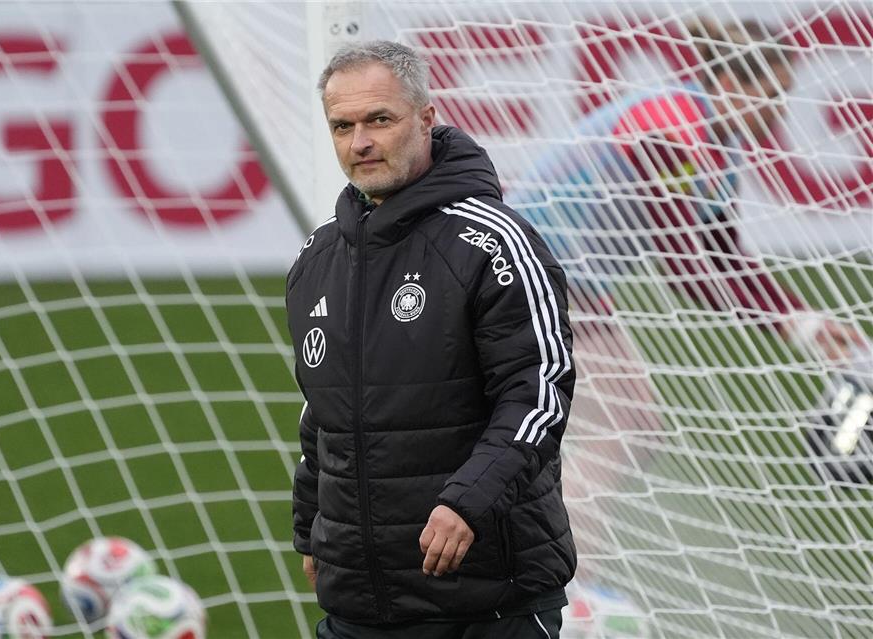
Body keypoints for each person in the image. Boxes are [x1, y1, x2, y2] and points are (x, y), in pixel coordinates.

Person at [509, 18, 866, 635]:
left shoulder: (719, 146)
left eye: (784, 96)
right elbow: (681, 259)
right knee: (620, 423)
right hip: (528, 284)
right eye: (771, 94)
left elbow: (723, 254)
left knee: (630, 420)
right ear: (728, 81)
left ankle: (557, 569)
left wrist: (802, 322)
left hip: (570, 292)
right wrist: (792, 324)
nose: (778, 111)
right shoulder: (670, 124)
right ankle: (562, 586)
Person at [287, 41, 576, 638]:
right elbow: (325, 411)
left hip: (487, 602)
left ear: (426, 119)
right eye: (343, 126)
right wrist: (313, 523)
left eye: (379, 120)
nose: (360, 142)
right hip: (361, 604)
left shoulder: (494, 242)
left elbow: (538, 393)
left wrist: (466, 502)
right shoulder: (317, 258)